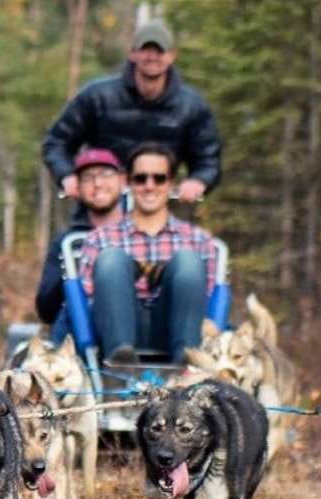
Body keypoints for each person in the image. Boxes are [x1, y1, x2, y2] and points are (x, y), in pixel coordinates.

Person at [42, 19, 221, 225]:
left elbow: (208, 158)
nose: (152, 56)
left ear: (172, 56)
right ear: (132, 53)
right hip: (99, 210)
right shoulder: (96, 97)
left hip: (161, 212)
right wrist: (67, 176)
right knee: (68, 245)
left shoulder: (192, 106)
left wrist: (198, 181)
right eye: (145, 50)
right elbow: (56, 143)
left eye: (159, 50)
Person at [77, 143, 217, 364]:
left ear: (171, 183)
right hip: (114, 328)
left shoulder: (199, 240)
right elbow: (86, 303)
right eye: (141, 178)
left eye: (159, 178)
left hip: (178, 325)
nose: (149, 186)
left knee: (188, 261)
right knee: (112, 259)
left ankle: (187, 362)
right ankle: (120, 360)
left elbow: (205, 303)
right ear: (128, 182)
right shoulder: (98, 240)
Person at [35, 148, 126, 343]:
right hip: (81, 330)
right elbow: (46, 310)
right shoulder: (67, 242)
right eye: (88, 178)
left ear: (122, 180)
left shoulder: (141, 236)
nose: (98, 184)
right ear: (78, 187)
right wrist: (72, 275)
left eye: (106, 174)